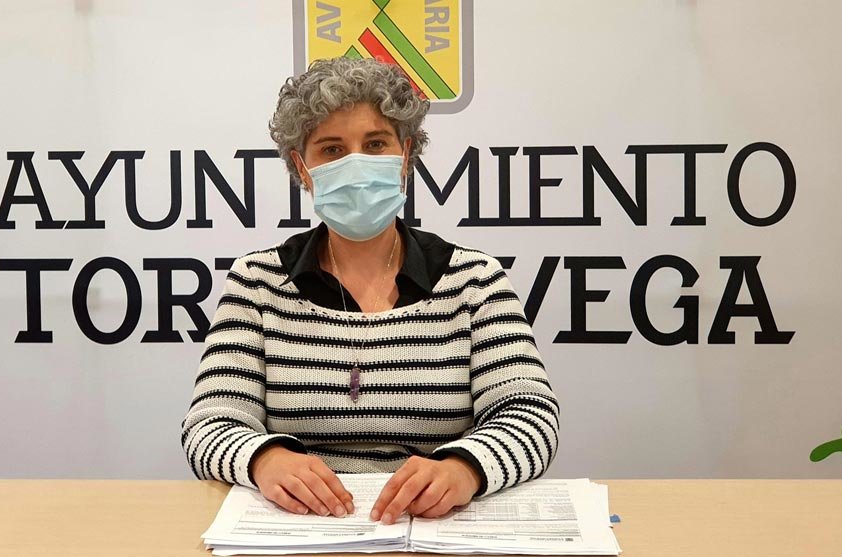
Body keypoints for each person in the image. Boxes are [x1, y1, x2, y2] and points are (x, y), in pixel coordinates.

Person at [181, 57, 559, 525]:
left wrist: (465, 468)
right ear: (302, 167)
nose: (356, 164)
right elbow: (210, 424)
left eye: (376, 143)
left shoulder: (475, 280)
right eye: (332, 149)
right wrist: (264, 459)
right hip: (300, 530)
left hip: (434, 528)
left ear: (405, 155)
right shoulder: (257, 282)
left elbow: (530, 415)